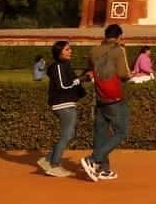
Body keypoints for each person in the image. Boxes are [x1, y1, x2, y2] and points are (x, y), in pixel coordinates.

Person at [79, 24, 130, 182]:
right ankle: (93, 159)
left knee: (101, 132)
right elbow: (124, 74)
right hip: (114, 97)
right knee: (121, 132)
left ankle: (104, 169)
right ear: (120, 36)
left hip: (100, 95)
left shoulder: (94, 51)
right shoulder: (119, 50)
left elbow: (89, 70)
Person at [39, 40, 84, 177]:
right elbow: (63, 85)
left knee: (68, 134)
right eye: (67, 49)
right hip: (62, 104)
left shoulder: (65, 65)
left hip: (67, 104)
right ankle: (54, 165)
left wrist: (83, 78)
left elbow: (71, 83)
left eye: (70, 49)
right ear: (59, 52)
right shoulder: (58, 66)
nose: (70, 51)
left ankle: (48, 160)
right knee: (67, 135)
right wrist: (81, 79)